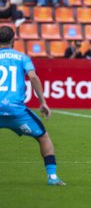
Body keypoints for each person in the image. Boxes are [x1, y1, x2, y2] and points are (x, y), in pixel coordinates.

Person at [0, 26, 65, 185]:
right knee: (43, 137)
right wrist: (42, 102)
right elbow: (33, 77)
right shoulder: (22, 58)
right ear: (13, 40)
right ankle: (52, 177)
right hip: (17, 112)